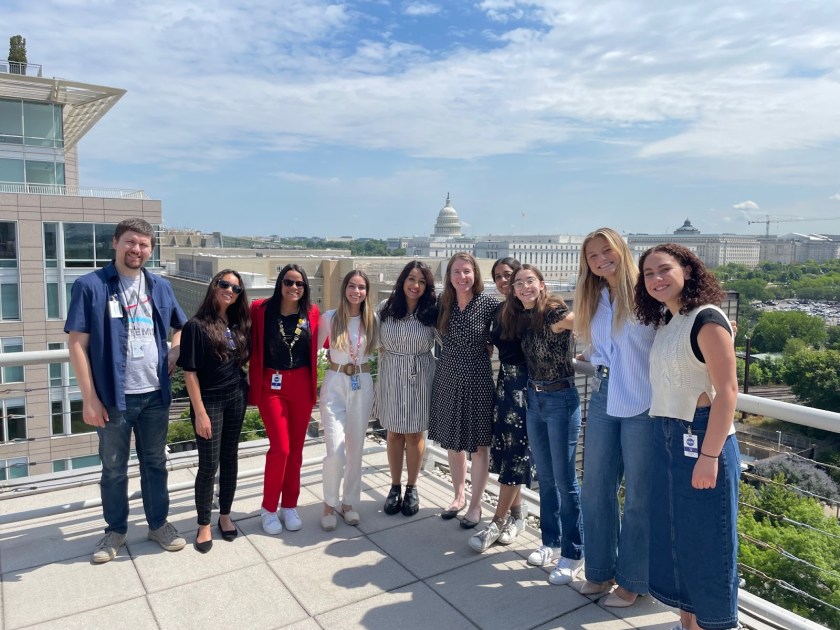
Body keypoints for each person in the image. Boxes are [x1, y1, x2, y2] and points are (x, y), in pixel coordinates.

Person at [65, 218, 188, 563]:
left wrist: (175, 350)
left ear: (151, 249)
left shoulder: (159, 286)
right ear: (116, 243)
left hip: (154, 394)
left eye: (144, 245)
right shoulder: (90, 286)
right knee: (114, 467)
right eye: (131, 242)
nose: (137, 250)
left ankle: (158, 524)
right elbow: (76, 344)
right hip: (113, 397)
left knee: (155, 462)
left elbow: (180, 326)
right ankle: (115, 531)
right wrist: (89, 398)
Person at [636, 244, 740, 630]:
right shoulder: (669, 320)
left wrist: (710, 456)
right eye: (648, 273)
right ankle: (689, 620)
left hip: (701, 435)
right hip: (665, 432)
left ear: (688, 271)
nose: (656, 279)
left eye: (664, 270)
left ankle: (717, 622)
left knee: (709, 540)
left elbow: (728, 391)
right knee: (676, 533)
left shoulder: (706, 319)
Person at [573, 228, 654, 606]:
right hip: (606, 394)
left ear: (622, 250)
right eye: (593, 255)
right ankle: (600, 571)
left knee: (638, 496)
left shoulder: (647, 292)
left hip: (644, 401)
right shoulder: (596, 297)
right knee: (595, 489)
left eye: (607, 251)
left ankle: (633, 580)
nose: (601, 259)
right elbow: (599, 348)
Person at [501, 264, 583, 585]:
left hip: (560, 400)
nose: (524, 287)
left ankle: (573, 552)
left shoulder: (551, 311)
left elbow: (580, 319)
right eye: (518, 283)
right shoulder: (524, 316)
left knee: (565, 481)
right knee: (545, 480)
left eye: (529, 281)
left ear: (541, 284)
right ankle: (550, 542)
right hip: (534, 400)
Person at [177, 270, 251, 553]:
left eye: (236, 288)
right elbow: (190, 373)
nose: (230, 290)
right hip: (209, 401)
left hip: (236, 398)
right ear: (214, 286)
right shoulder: (196, 325)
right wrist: (200, 412)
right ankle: (204, 523)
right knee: (208, 465)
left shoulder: (239, 323)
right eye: (224, 284)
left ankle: (225, 516)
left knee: (230, 458)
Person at [248, 264, 320, 535]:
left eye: (299, 284)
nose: (294, 288)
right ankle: (268, 508)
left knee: (297, 451)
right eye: (288, 282)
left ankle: (289, 505)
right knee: (281, 448)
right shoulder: (260, 310)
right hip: (272, 384)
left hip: (301, 383)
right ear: (280, 284)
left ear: (305, 288)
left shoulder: (311, 312)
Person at [469, 257, 533, 552]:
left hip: (526, 388)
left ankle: (497, 520)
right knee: (507, 452)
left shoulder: (530, 308)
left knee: (517, 454)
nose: (503, 280)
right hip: (505, 383)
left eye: (509, 275)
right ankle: (517, 516)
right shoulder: (500, 310)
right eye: (498, 276)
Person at [429, 252, 496, 529]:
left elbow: (512, 327)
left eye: (467, 271)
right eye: (456, 272)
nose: (462, 277)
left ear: (475, 274)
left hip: (478, 377)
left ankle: (476, 504)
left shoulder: (489, 303)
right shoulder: (442, 304)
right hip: (448, 375)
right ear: (449, 276)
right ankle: (458, 496)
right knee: (453, 442)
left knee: (480, 444)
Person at [374, 261, 437, 517]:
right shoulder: (386, 309)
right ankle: (395, 486)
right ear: (402, 281)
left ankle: (412, 487)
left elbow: (449, 339)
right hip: (391, 372)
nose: (416, 285)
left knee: (414, 434)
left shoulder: (431, 312)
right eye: (412, 279)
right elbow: (370, 337)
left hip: (420, 374)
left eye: (422, 282)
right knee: (393, 433)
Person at [317, 270, 379, 530]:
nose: (356, 291)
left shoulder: (373, 319)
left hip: (362, 384)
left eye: (361, 287)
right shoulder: (330, 318)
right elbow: (312, 351)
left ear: (367, 291)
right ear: (344, 289)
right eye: (352, 286)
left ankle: (349, 502)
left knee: (356, 449)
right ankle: (329, 504)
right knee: (335, 451)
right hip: (335, 383)